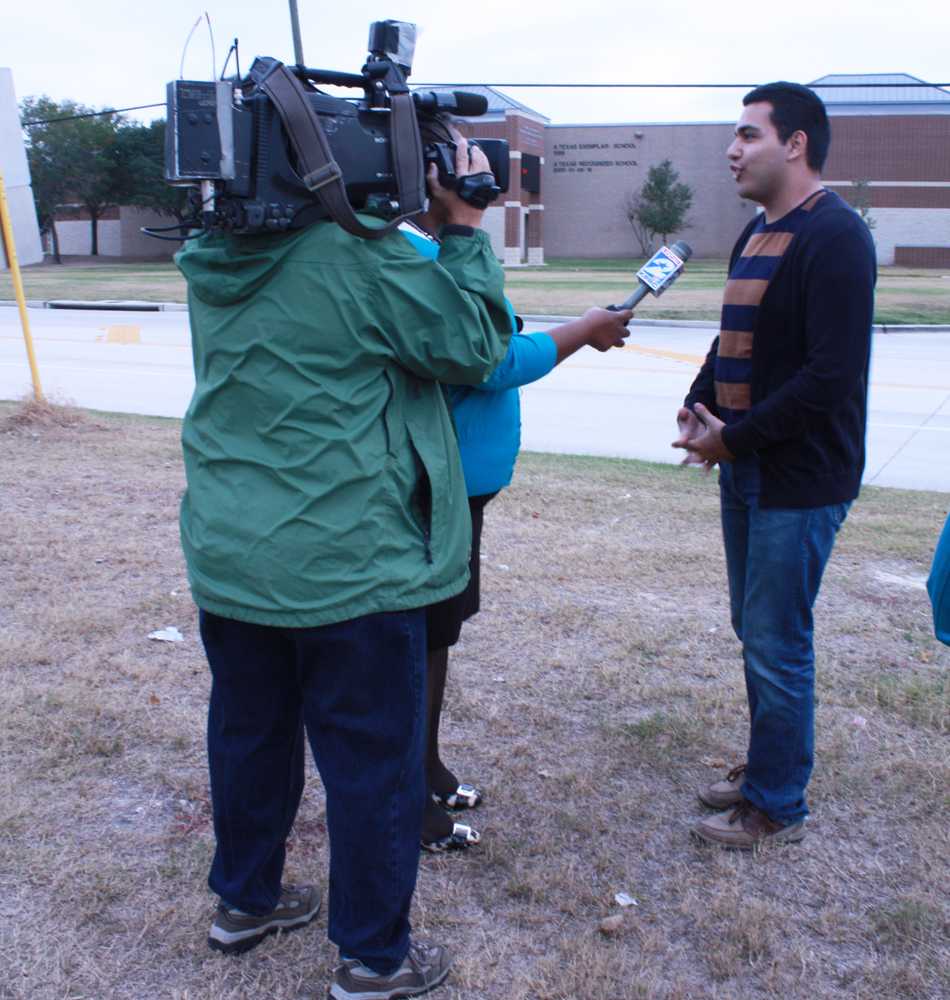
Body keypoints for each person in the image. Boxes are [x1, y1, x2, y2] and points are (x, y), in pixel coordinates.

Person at [176, 136, 511, 999]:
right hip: (350, 566)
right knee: (372, 762)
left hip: (236, 553)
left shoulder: (215, 253)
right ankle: (374, 957)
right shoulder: (366, 256)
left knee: (249, 734)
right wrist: (467, 227)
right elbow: (477, 346)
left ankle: (243, 903)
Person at [403, 117, 635, 852]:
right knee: (423, 640)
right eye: (460, 158)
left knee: (438, 635)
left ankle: (425, 767)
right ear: (428, 173)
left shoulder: (435, 250)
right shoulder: (415, 252)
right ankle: (413, 801)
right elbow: (490, 359)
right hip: (435, 488)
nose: (478, 170)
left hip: (461, 487)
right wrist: (583, 331)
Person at [672, 82, 876, 850]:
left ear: (795, 144)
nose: (733, 149)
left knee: (777, 636)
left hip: (798, 476)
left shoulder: (836, 237)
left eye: (748, 135)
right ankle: (769, 764)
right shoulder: (756, 234)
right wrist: (699, 403)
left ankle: (776, 805)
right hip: (746, 463)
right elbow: (732, 338)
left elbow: (829, 378)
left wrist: (738, 438)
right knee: (753, 627)